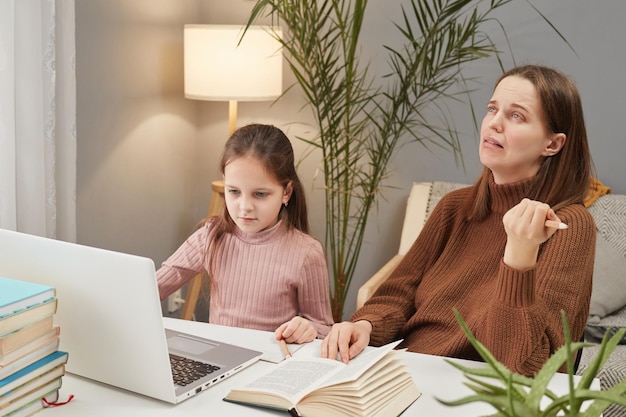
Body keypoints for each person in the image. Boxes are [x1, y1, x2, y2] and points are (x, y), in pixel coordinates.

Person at [321, 65, 596, 376]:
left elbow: (525, 365)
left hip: (474, 393)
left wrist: (520, 253)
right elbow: (399, 293)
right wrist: (366, 324)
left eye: (516, 116)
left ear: (553, 144)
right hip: (403, 372)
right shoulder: (454, 207)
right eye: (492, 109)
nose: (494, 124)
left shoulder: (569, 225)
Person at [157, 124, 334, 344]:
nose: (244, 207)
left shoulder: (306, 252)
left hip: (270, 366)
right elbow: (151, 289)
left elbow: (324, 328)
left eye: (260, 194)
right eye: (234, 192)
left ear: (286, 192)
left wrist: (308, 328)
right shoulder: (210, 237)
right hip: (218, 362)